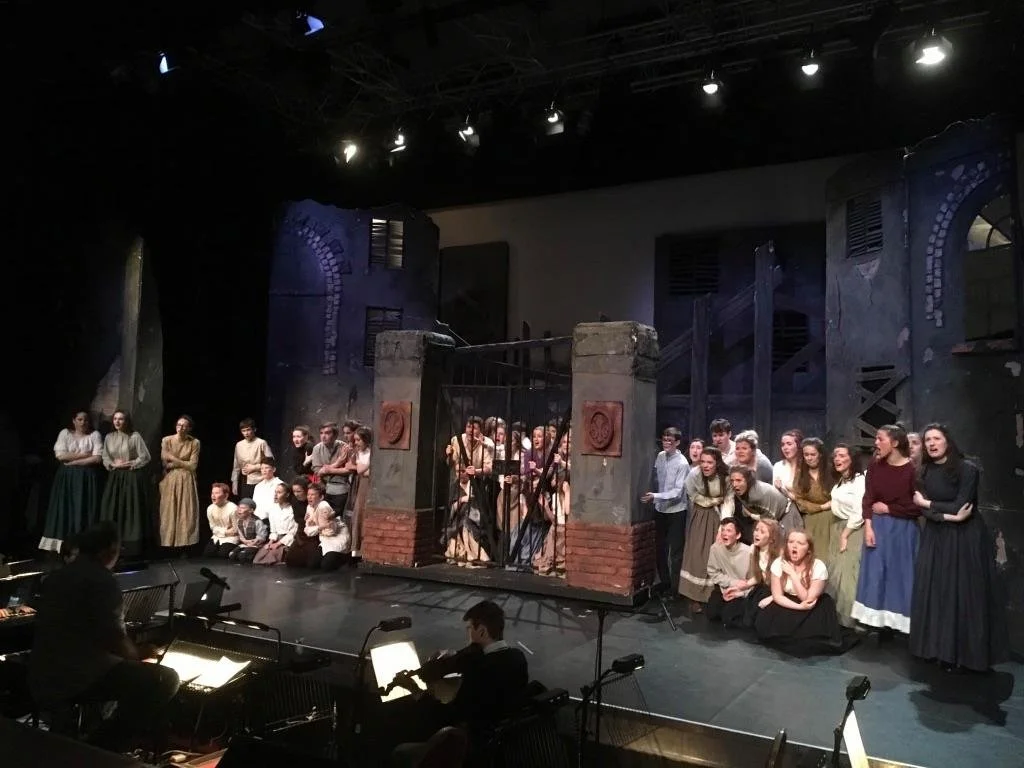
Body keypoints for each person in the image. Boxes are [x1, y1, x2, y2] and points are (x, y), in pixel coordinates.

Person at [29, 521, 180, 752]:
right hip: (77, 676)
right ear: (108, 550)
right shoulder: (102, 581)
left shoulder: (56, 578)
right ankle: (102, 748)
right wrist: (140, 653)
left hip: (44, 669)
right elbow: (114, 639)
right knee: (165, 679)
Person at [910, 424, 1008, 672]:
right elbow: (921, 508)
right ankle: (938, 650)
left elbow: (961, 506)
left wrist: (931, 504)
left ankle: (964, 656)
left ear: (948, 442)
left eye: (937, 439)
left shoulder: (967, 470)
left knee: (961, 593)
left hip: (964, 538)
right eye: (928, 439)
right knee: (937, 592)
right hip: (936, 535)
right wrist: (945, 517)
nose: (931, 443)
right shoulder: (924, 471)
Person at [390, 600, 529, 766]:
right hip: (500, 744)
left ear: (482, 631)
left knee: (402, 741)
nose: (468, 634)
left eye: (470, 628)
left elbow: (450, 716)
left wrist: (417, 691)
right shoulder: (518, 658)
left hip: (472, 747)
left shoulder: (481, 670)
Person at [850, 424, 920, 634]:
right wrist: (868, 526)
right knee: (876, 572)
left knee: (900, 575)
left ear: (895, 443)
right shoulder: (875, 466)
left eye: (881, 439)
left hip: (903, 529)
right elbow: (868, 498)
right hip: (878, 526)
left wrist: (889, 508)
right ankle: (875, 621)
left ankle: (900, 624)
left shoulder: (912, 471)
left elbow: (917, 506)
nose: (876, 443)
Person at [755, 530, 844, 654]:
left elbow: (806, 599)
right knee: (766, 626)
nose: (794, 546)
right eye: (791, 542)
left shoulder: (818, 566)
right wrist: (798, 607)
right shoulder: (779, 563)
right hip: (789, 601)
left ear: (808, 549)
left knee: (805, 640)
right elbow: (777, 596)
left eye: (800, 543)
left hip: (812, 604)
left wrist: (793, 575)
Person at [679, 446, 733, 611]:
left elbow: (728, 501)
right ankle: (695, 596)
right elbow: (694, 496)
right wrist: (713, 501)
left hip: (718, 518)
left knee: (715, 555)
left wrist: (724, 526)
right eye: (703, 462)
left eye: (710, 462)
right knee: (698, 555)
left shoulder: (726, 477)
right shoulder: (694, 475)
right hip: (700, 517)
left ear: (717, 463)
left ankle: (713, 596)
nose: (705, 465)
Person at [41, 411, 103, 554]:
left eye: (86, 420)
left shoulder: (94, 435)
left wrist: (75, 461)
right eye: (79, 419)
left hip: (86, 477)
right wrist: (84, 455)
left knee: (83, 506)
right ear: (74, 421)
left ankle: (82, 544)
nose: (83, 423)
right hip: (67, 476)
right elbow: (60, 455)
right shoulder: (65, 434)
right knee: (65, 506)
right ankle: (64, 544)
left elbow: (97, 458)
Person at [642, 427, 689, 596]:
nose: (667, 443)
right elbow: (656, 478)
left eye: (670, 441)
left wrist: (655, 496)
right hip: (660, 509)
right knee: (659, 548)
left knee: (675, 552)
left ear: (677, 442)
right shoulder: (660, 456)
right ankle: (664, 582)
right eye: (664, 440)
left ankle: (676, 589)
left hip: (677, 511)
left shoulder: (682, 463)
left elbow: (677, 493)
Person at [99, 409, 152, 558]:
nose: (117, 422)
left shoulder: (134, 436)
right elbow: (105, 456)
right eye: (115, 419)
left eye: (121, 419)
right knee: (113, 507)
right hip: (115, 477)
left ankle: (130, 547)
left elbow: (145, 457)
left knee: (130, 508)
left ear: (126, 421)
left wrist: (130, 463)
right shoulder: (109, 437)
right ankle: (112, 544)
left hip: (130, 477)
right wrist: (112, 465)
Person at [828, 445, 866, 627]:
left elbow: (859, 511)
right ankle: (835, 618)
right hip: (838, 526)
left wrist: (846, 534)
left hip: (853, 529)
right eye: (836, 455)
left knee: (849, 574)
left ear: (852, 459)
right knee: (836, 573)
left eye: (842, 455)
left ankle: (849, 621)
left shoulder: (860, 481)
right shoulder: (841, 481)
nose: (837, 459)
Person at [728, 465, 802, 544]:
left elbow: (771, 519)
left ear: (747, 481)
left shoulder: (757, 495)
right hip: (773, 517)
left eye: (739, 480)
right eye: (732, 481)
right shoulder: (740, 489)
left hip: (787, 515)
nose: (734, 484)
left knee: (790, 545)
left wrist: (752, 515)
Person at [159, 415, 200, 553]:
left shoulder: (194, 443)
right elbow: (165, 461)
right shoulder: (167, 440)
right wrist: (182, 463)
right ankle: (168, 545)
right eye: (178, 424)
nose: (180, 428)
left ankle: (185, 546)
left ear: (189, 428)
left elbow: (193, 465)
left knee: (186, 511)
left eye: (184, 425)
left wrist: (174, 460)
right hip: (170, 479)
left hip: (187, 478)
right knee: (169, 511)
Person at [705, 518, 752, 626]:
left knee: (729, 618)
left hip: (743, 591)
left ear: (738, 535)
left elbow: (754, 581)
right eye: (722, 530)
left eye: (729, 530)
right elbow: (713, 571)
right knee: (712, 614)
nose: (724, 533)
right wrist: (731, 583)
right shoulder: (715, 549)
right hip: (725, 587)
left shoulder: (748, 553)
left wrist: (741, 592)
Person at [253, 483, 298, 565]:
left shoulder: (292, 510)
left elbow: (292, 533)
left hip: (288, 540)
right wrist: (270, 542)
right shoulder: (273, 509)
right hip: (276, 539)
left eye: (279, 492)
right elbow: (273, 530)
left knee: (271, 558)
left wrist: (278, 544)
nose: (275, 495)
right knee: (259, 558)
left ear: (287, 494)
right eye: (275, 492)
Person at [231, 418, 273, 499]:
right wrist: (234, 482)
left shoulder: (261, 443)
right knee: (247, 503)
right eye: (243, 431)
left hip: (260, 479)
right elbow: (236, 466)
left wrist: (255, 467)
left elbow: (271, 462)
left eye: (248, 430)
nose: (246, 433)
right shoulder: (239, 445)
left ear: (254, 429)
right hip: (246, 481)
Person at [204, 482, 238, 558]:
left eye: (217, 493)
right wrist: (225, 531)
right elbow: (212, 527)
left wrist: (220, 531)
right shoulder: (210, 508)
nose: (213, 495)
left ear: (226, 495)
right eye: (212, 493)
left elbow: (235, 530)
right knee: (208, 554)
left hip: (231, 538)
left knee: (222, 554)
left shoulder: (233, 508)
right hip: (217, 536)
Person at [228, 499, 268, 564]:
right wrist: (245, 542)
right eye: (239, 507)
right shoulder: (239, 521)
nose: (240, 510)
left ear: (251, 510)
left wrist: (253, 542)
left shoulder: (257, 521)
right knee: (232, 555)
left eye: (243, 508)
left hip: (256, 545)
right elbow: (241, 536)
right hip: (245, 543)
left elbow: (261, 537)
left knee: (242, 556)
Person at [251, 457, 285, 522]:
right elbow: (254, 504)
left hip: (273, 519)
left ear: (274, 469)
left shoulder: (280, 484)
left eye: (266, 468)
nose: (264, 470)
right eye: (262, 468)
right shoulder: (258, 486)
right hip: (257, 520)